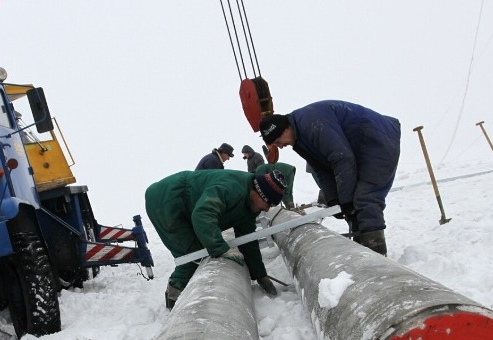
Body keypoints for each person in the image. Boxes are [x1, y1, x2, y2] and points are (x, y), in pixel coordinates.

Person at [259, 100, 401, 256]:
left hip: (378, 138)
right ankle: (364, 252)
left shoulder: (311, 123)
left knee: (365, 198)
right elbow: (321, 169)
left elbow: (342, 158)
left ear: (285, 129)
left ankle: (378, 256)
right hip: (358, 148)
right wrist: (333, 199)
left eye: (278, 141)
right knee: (353, 204)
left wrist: (346, 200)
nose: (280, 146)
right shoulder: (299, 138)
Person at [145, 169, 287, 309]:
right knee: (192, 255)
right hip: (166, 200)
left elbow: (247, 240)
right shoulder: (231, 189)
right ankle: (173, 298)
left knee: (201, 248)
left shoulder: (251, 205)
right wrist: (220, 248)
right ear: (259, 193)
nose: (268, 209)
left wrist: (260, 275)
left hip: (186, 203)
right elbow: (203, 214)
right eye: (268, 203)